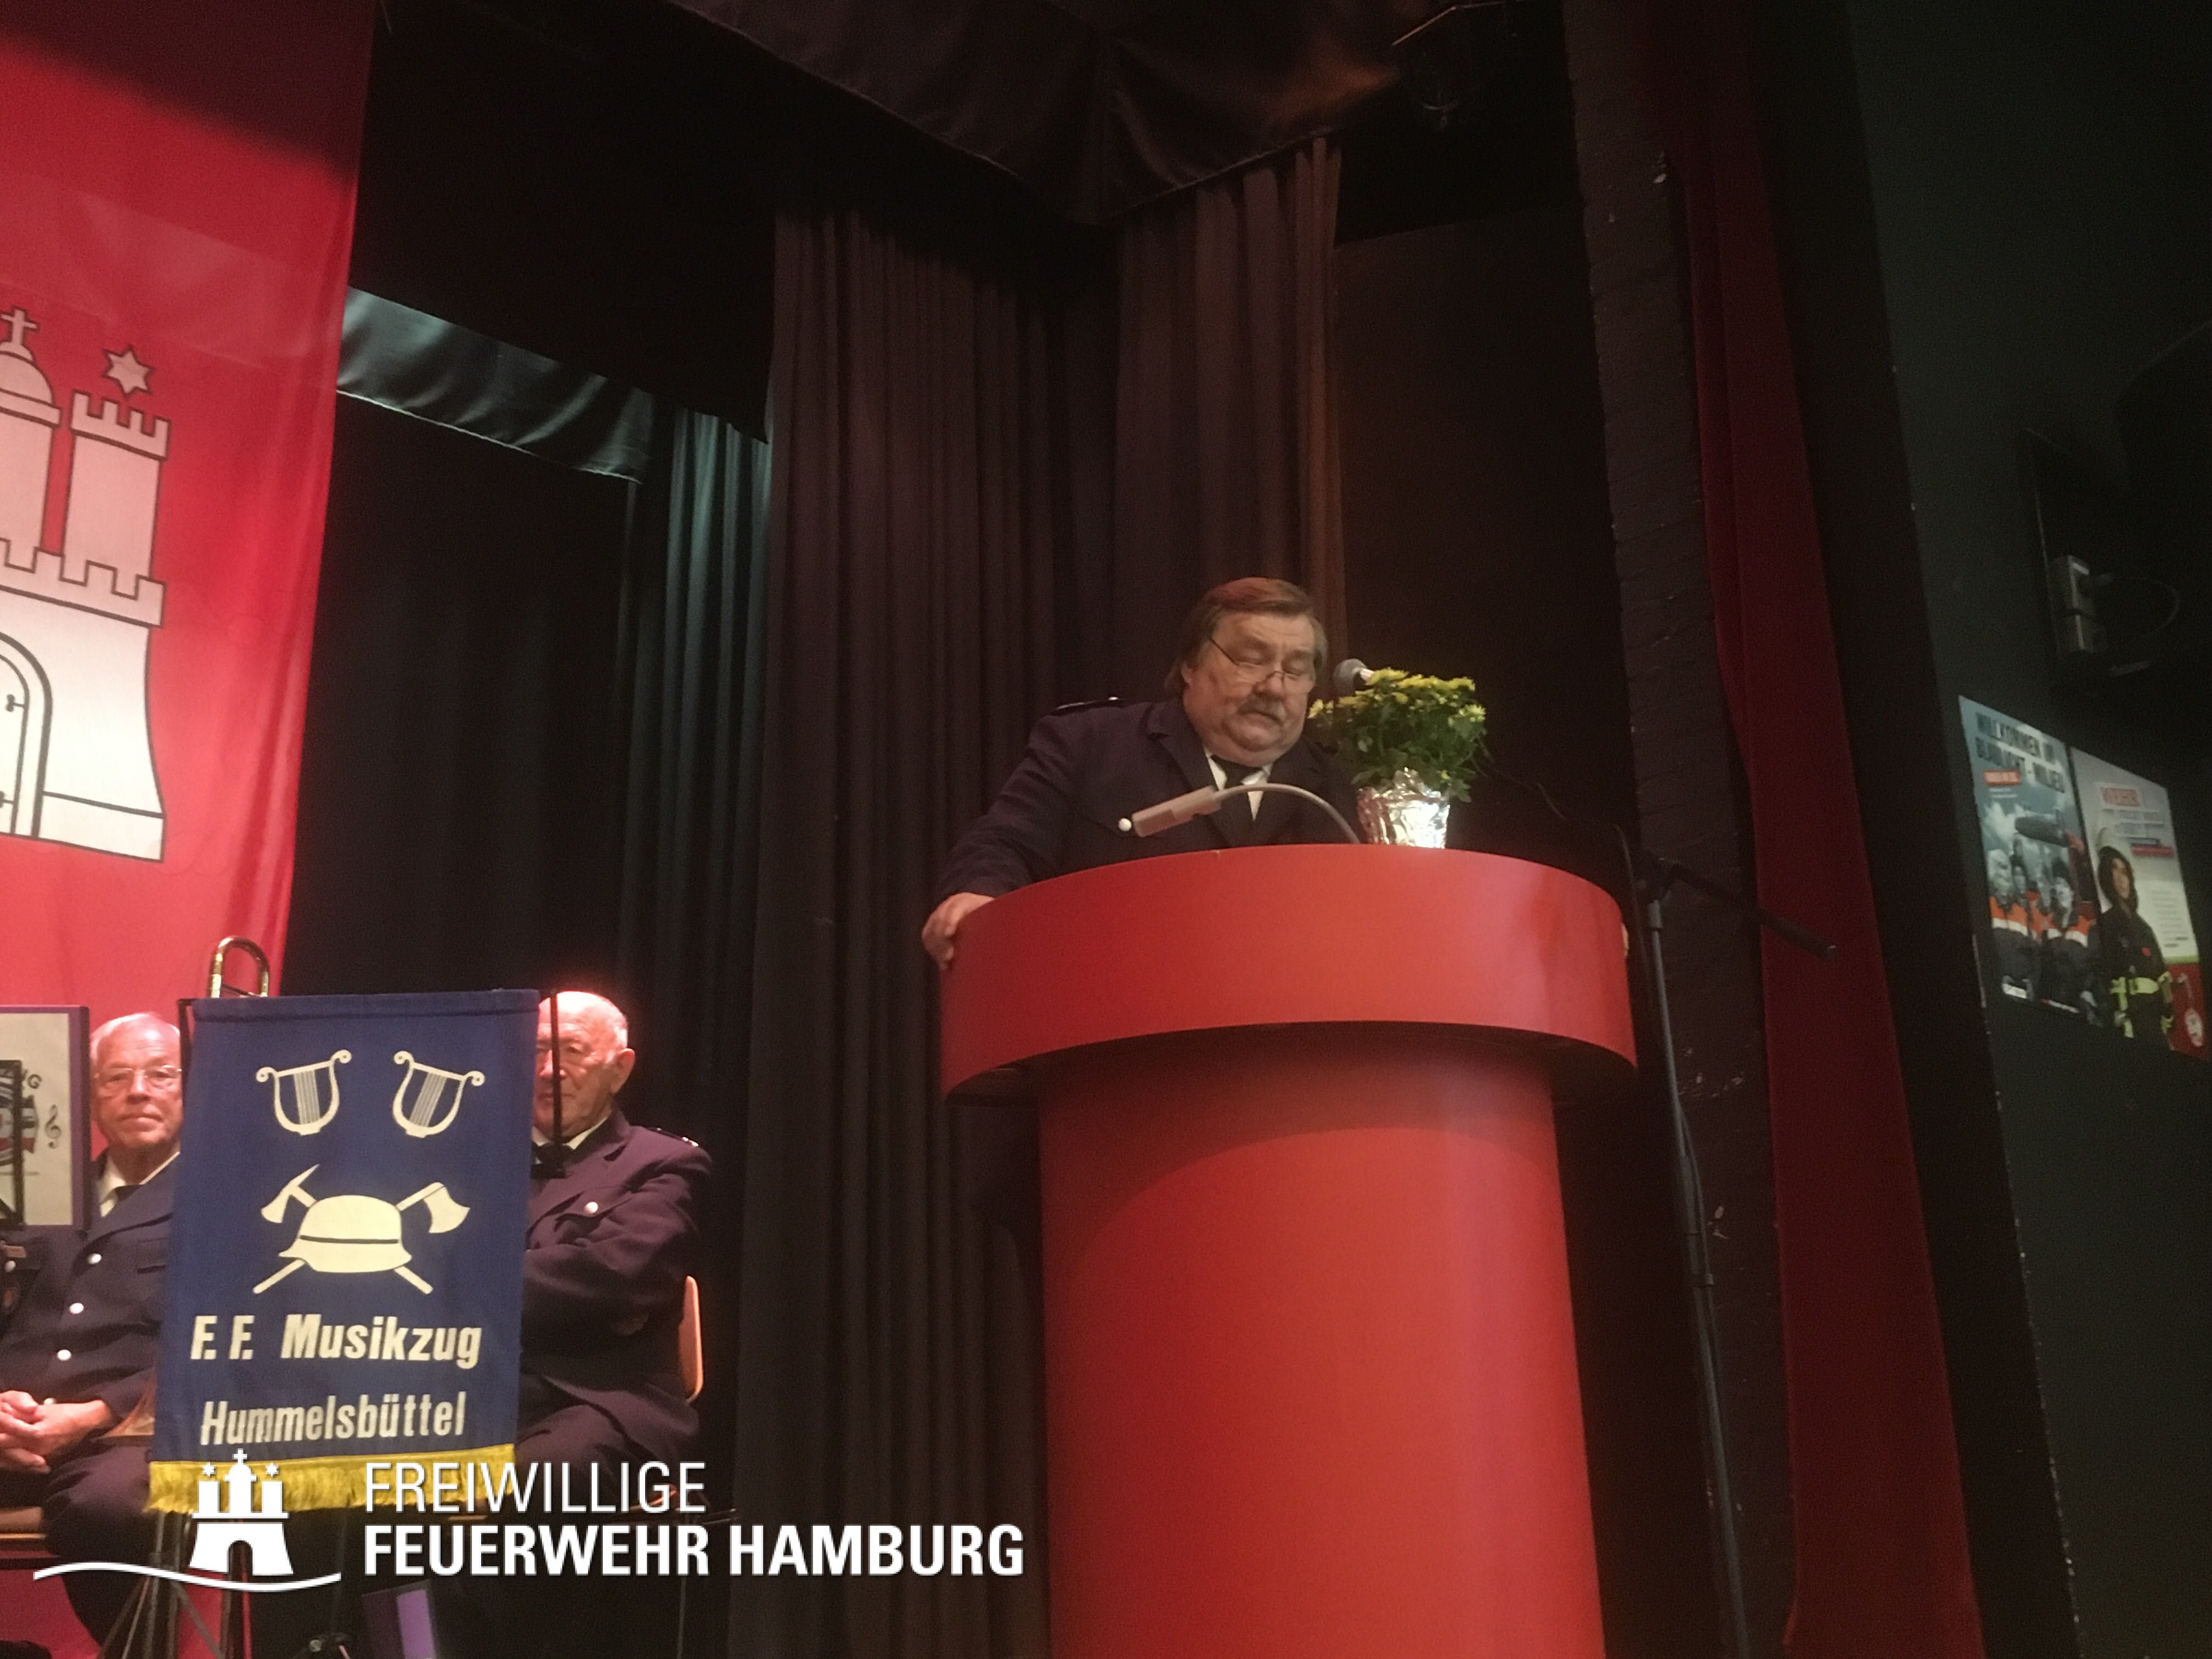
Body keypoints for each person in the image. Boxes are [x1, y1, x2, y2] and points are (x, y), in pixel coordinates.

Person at [923, 576, 1360, 965]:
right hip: (1115, 1002)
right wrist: (979, 893)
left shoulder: (1341, 786)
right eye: (1250, 660)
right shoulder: (1092, 745)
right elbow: (1006, 844)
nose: (1274, 687)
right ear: (1190, 664)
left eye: (1296, 670)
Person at [0, 1013, 181, 1641]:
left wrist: (95, 1413)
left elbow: (222, 1345)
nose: (138, 1091)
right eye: (116, 1077)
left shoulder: (219, 1200)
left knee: (110, 1507)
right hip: (10, 1426)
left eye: (161, 1075)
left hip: (125, 1437)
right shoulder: (33, 1190)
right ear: (90, 1098)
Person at [518, 992, 708, 1480]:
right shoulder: (472, 1162)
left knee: (542, 1477)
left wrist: (470, 1284)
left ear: (619, 1070)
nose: (549, 1071)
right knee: (352, 1472)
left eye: (572, 1051)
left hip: (598, 1399)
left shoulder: (662, 1163)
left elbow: (616, 1276)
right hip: (469, 1395)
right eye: (537, 1051)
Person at [2091, 846, 2172, 1045]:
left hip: (2154, 1019)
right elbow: (2099, 975)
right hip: (2128, 1019)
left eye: (2124, 872)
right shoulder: (2104, 925)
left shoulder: (2145, 928)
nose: (2120, 879)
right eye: (2114, 872)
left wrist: (2168, 1011)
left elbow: (2162, 975)